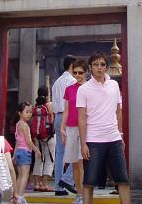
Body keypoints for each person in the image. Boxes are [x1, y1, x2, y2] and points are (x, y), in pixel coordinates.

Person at [76, 53, 130, 204]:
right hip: (93, 140)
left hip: (114, 139)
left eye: (102, 64)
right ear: (90, 68)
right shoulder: (83, 89)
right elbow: (81, 117)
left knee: (123, 180)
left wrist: (120, 134)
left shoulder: (114, 85)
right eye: (96, 64)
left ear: (106, 67)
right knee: (89, 181)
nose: (99, 68)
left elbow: (118, 111)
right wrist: (83, 144)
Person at [61, 59, 87, 204]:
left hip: (86, 128)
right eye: (75, 72)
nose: (77, 75)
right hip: (71, 128)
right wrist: (62, 127)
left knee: (82, 163)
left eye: (80, 73)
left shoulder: (90, 88)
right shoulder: (69, 89)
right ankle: (79, 194)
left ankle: (84, 195)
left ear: (86, 72)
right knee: (75, 163)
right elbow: (66, 110)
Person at [51, 55, 78, 195]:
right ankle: (67, 179)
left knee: (60, 153)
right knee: (77, 151)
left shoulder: (56, 82)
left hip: (57, 116)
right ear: (72, 66)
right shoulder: (72, 81)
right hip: (68, 117)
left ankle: (58, 186)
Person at [14, 102, 42, 204]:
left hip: (19, 152)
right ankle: (20, 197)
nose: (29, 114)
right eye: (27, 112)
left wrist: (14, 155)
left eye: (30, 112)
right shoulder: (25, 125)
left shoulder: (18, 124)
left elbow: (17, 142)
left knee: (20, 175)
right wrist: (36, 150)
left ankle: (16, 197)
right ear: (20, 113)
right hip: (25, 152)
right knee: (25, 175)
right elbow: (28, 141)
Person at [31, 86, 55, 192]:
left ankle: (36, 184)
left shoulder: (36, 106)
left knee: (38, 159)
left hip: (37, 137)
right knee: (49, 159)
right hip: (49, 136)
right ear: (47, 94)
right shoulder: (49, 105)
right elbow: (52, 120)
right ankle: (44, 184)